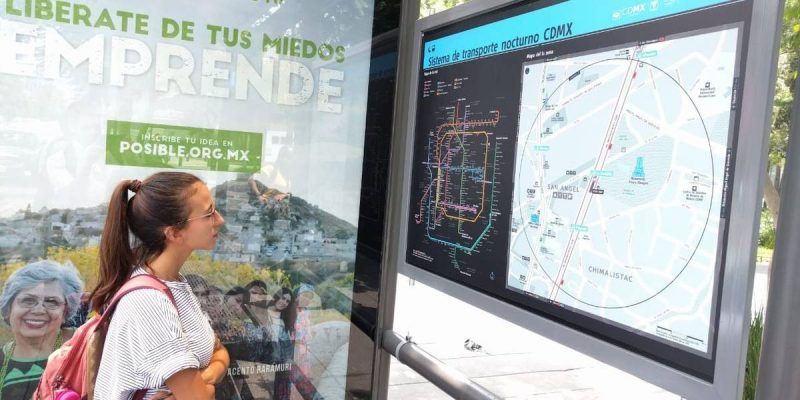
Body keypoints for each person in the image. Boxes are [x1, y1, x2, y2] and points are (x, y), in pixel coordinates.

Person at [90, 172, 229, 400]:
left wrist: (207, 377)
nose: (219, 219)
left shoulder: (174, 283)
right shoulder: (150, 301)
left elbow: (219, 351)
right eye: (209, 213)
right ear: (174, 233)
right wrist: (208, 388)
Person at [0, 260, 83, 399]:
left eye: (51, 302)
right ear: (8, 309)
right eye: (28, 300)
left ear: (65, 312)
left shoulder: (83, 348)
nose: (38, 310)